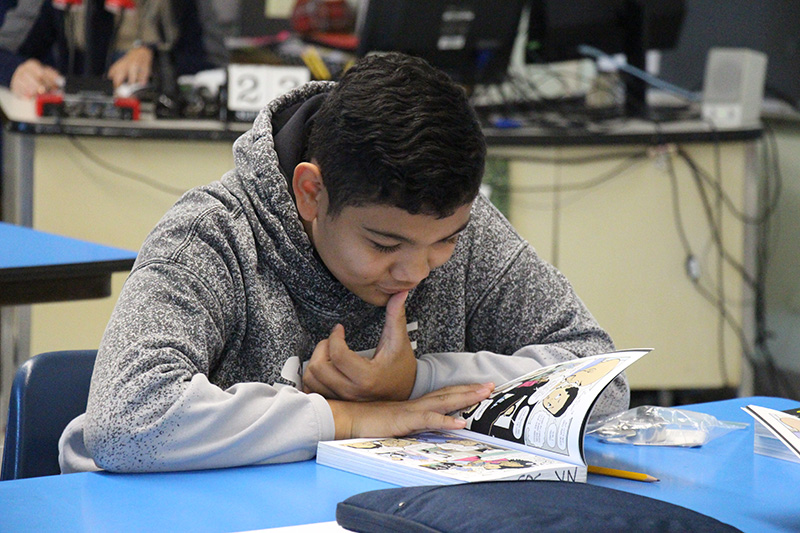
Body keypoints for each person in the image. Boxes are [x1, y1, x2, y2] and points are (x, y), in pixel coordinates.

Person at [58, 52, 629, 473]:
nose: (416, 271)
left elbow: (599, 377)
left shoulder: (457, 222)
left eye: (444, 242)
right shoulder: (212, 237)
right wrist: (349, 418)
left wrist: (414, 383)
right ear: (312, 193)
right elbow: (124, 420)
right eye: (384, 246)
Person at [0, 0, 226, 98]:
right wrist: (16, 71)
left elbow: (216, 62)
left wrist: (156, 60)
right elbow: (4, 49)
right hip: (69, 147)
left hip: (161, 149)